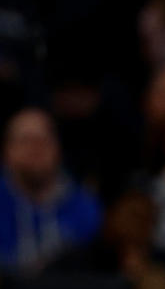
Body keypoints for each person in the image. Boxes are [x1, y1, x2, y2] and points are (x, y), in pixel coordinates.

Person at [0, 106, 103, 271]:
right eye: (25, 140)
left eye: (42, 140)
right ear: (6, 151)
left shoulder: (84, 207)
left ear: (57, 148)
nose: (35, 149)